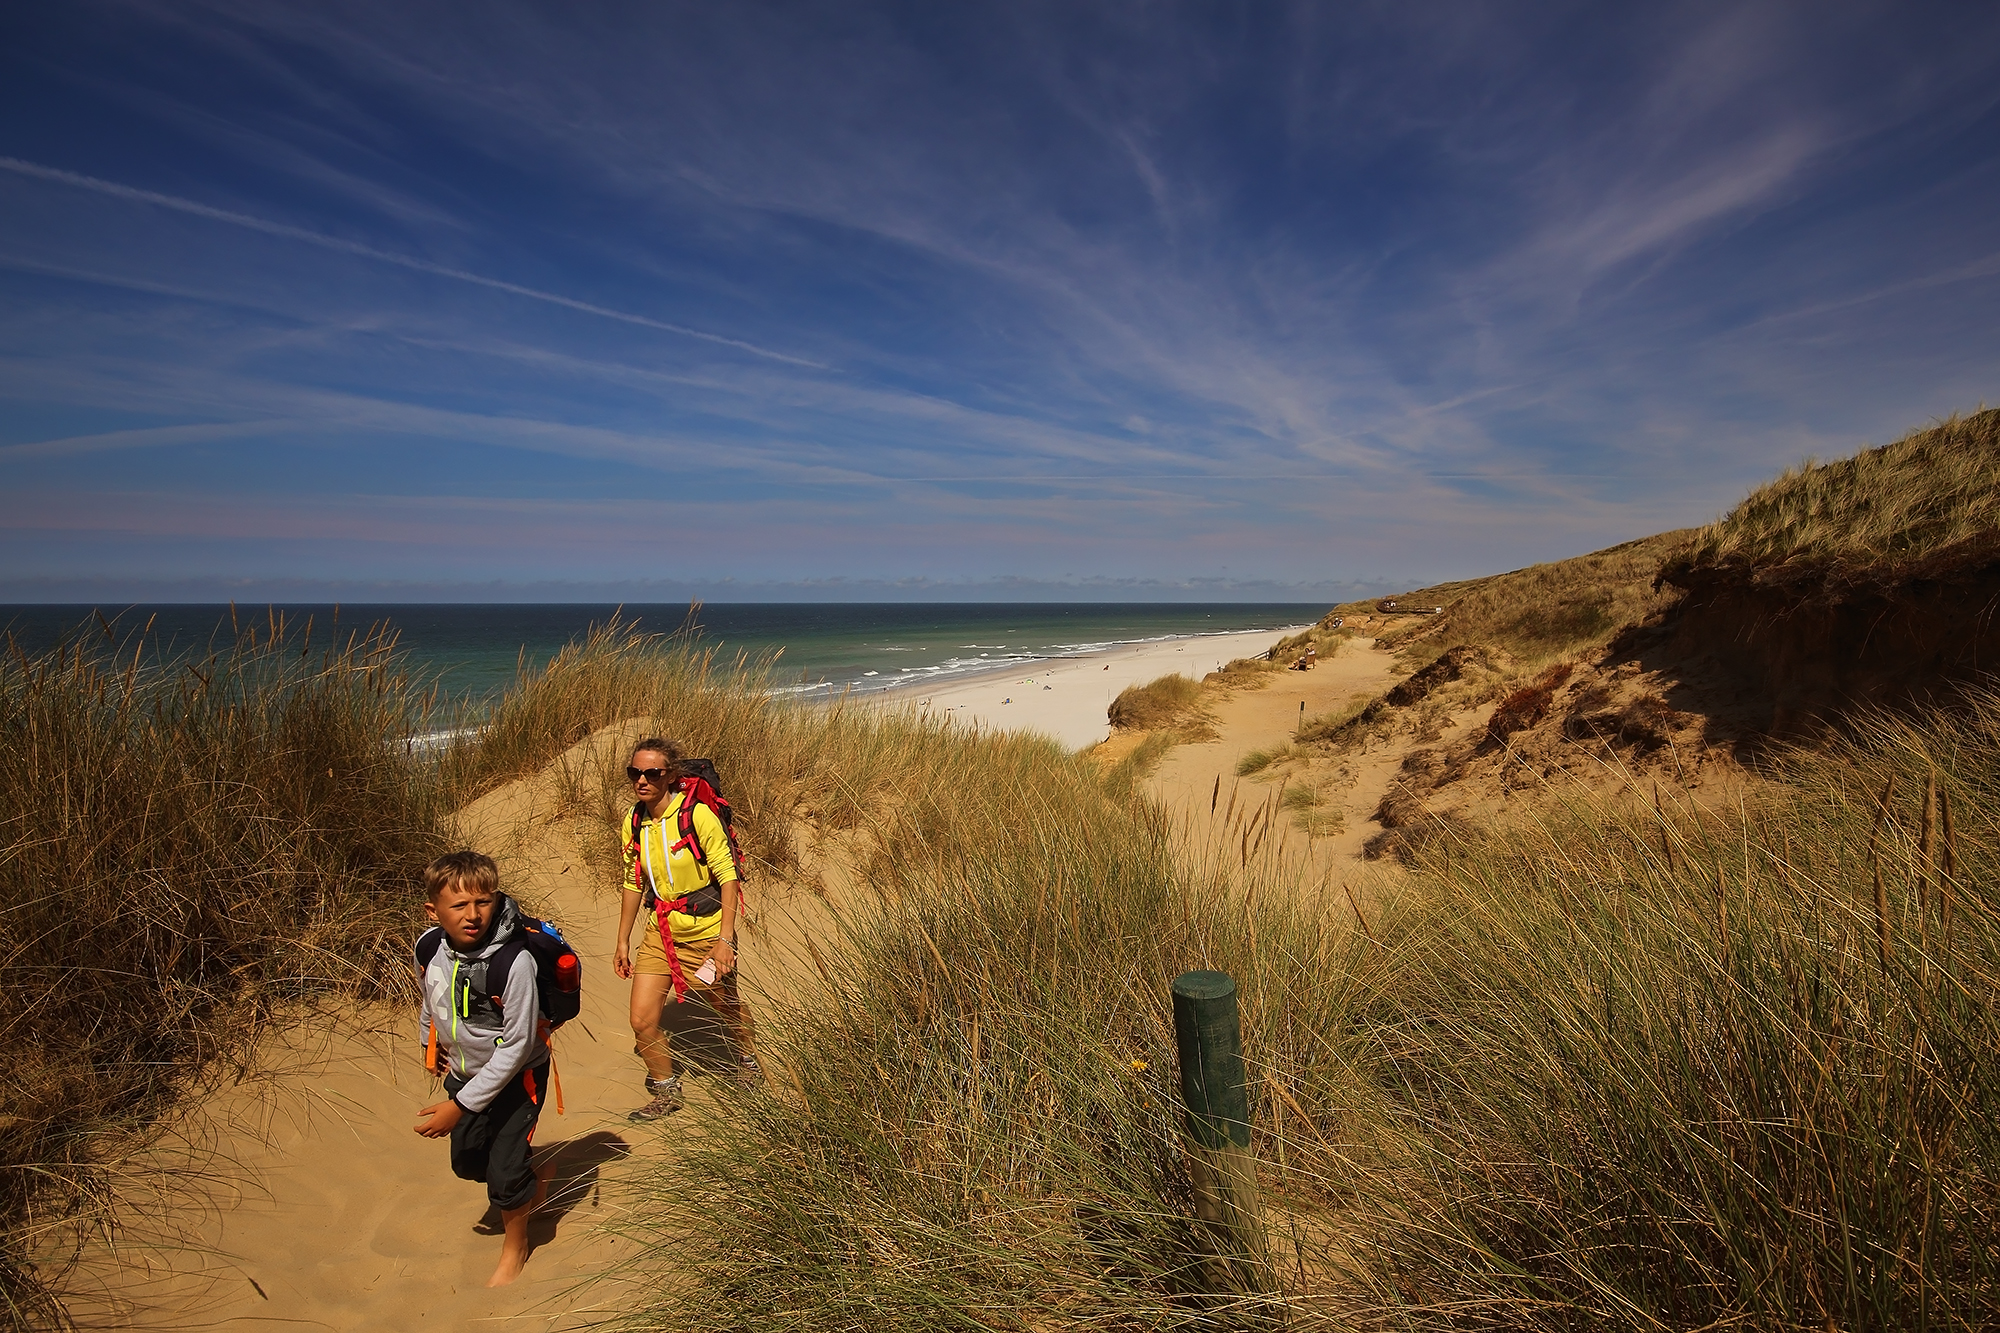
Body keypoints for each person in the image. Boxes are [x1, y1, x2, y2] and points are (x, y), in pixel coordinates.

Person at [412, 851, 552, 1288]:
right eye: (459, 906)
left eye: (484, 902)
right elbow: (430, 996)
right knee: (469, 1162)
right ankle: (530, 1176)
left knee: (504, 1174)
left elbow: (517, 1046)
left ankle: (516, 1247)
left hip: (517, 1077)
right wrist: (428, 1042)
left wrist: (460, 1105)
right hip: (463, 1071)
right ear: (433, 911)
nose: (473, 915)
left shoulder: (515, 963)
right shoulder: (430, 945)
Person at [613, 739, 760, 1121]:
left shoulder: (696, 816)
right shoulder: (634, 821)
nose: (642, 780)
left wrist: (725, 939)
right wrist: (622, 940)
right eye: (635, 773)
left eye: (652, 773)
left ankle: (748, 1058)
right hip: (660, 933)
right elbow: (633, 882)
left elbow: (728, 876)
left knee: (724, 1005)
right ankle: (666, 1091)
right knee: (641, 1020)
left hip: (708, 931)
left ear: (671, 775)